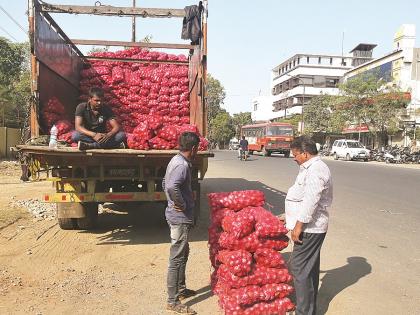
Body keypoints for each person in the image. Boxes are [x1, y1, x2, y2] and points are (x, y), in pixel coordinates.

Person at [285, 136, 333, 315]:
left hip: (310, 228)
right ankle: (309, 310)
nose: (294, 158)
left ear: (305, 153)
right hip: (310, 225)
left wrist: (298, 226)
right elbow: (301, 197)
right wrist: (288, 217)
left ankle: (303, 311)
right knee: (309, 269)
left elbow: (311, 201)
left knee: (299, 268)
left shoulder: (316, 170)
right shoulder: (310, 167)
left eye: (295, 154)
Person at [163, 132, 199, 315]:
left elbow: (165, 182)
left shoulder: (175, 160)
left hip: (177, 216)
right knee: (176, 258)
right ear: (193, 148)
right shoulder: (182, 165)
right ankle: (172, 301)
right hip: (179, 218)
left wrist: (175, 200)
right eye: (197, 149)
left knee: (184, 252)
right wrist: (181, 203)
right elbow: (171, 186)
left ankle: (181, 289)